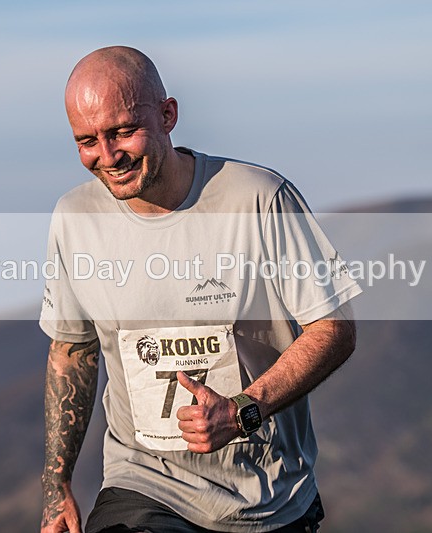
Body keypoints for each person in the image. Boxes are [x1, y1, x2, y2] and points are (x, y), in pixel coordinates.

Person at [39, 46, 361, 533]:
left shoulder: (259, 198)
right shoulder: (74, 219)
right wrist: (55, 486)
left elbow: (334, 328)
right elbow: (72, 352)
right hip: (143, 483)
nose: (108, 156)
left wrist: (242, 412)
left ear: (168, 115)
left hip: (267, 498)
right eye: (88, 140)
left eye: (123, 131)